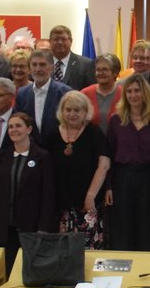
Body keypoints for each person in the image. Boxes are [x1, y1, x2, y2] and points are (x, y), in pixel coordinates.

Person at [105, 73, 150, 251]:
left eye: (137, 91)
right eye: (129, 91)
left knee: (147, 226)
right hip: (122, 178)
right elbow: (108, 155)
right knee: (123, 226)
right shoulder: (116, 121)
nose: (133, 95)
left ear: (145, 92)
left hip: (149, 179)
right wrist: (108, 186)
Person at [45, 90, 112, 249]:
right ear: (62, 111)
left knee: (88, 251)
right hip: (60, 205)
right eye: (68, 110)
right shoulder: (53, 134)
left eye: (77, 110)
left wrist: (91, 195)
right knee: (62, 252)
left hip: (87, 204)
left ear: (85, 112)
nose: (72, 114)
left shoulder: (94, 133)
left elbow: (104, 165)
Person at [0, 112, 57, 274]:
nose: (14, 130)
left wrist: (43, 226)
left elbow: (48, 194)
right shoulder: (1, 157)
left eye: (18, 126)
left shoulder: (42, 156)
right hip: (6, 226)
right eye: (11, 127)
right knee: (7, 270)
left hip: (31, 227)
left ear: (29, 129)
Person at [15, 49, 73, 142]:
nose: (38, 69)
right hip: (32, 149)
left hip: (57, 148)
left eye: (42, 64)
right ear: (29, 68)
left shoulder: (65, 93)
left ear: (52, 68)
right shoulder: (22, 94)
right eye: (34, 65)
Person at [80, 53, 123, 132]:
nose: (100, 73)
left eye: (105, 70)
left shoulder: (124, 94)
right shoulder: (84, 94)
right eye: (98, 70)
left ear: (115, 73)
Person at [49, 24, 95, 90]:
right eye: (56, 39)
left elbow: (91, 90)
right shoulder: (42, 63)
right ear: (50, 41)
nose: (60, 42)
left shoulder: (86, 64)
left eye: (63, 39)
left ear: (71, 41)